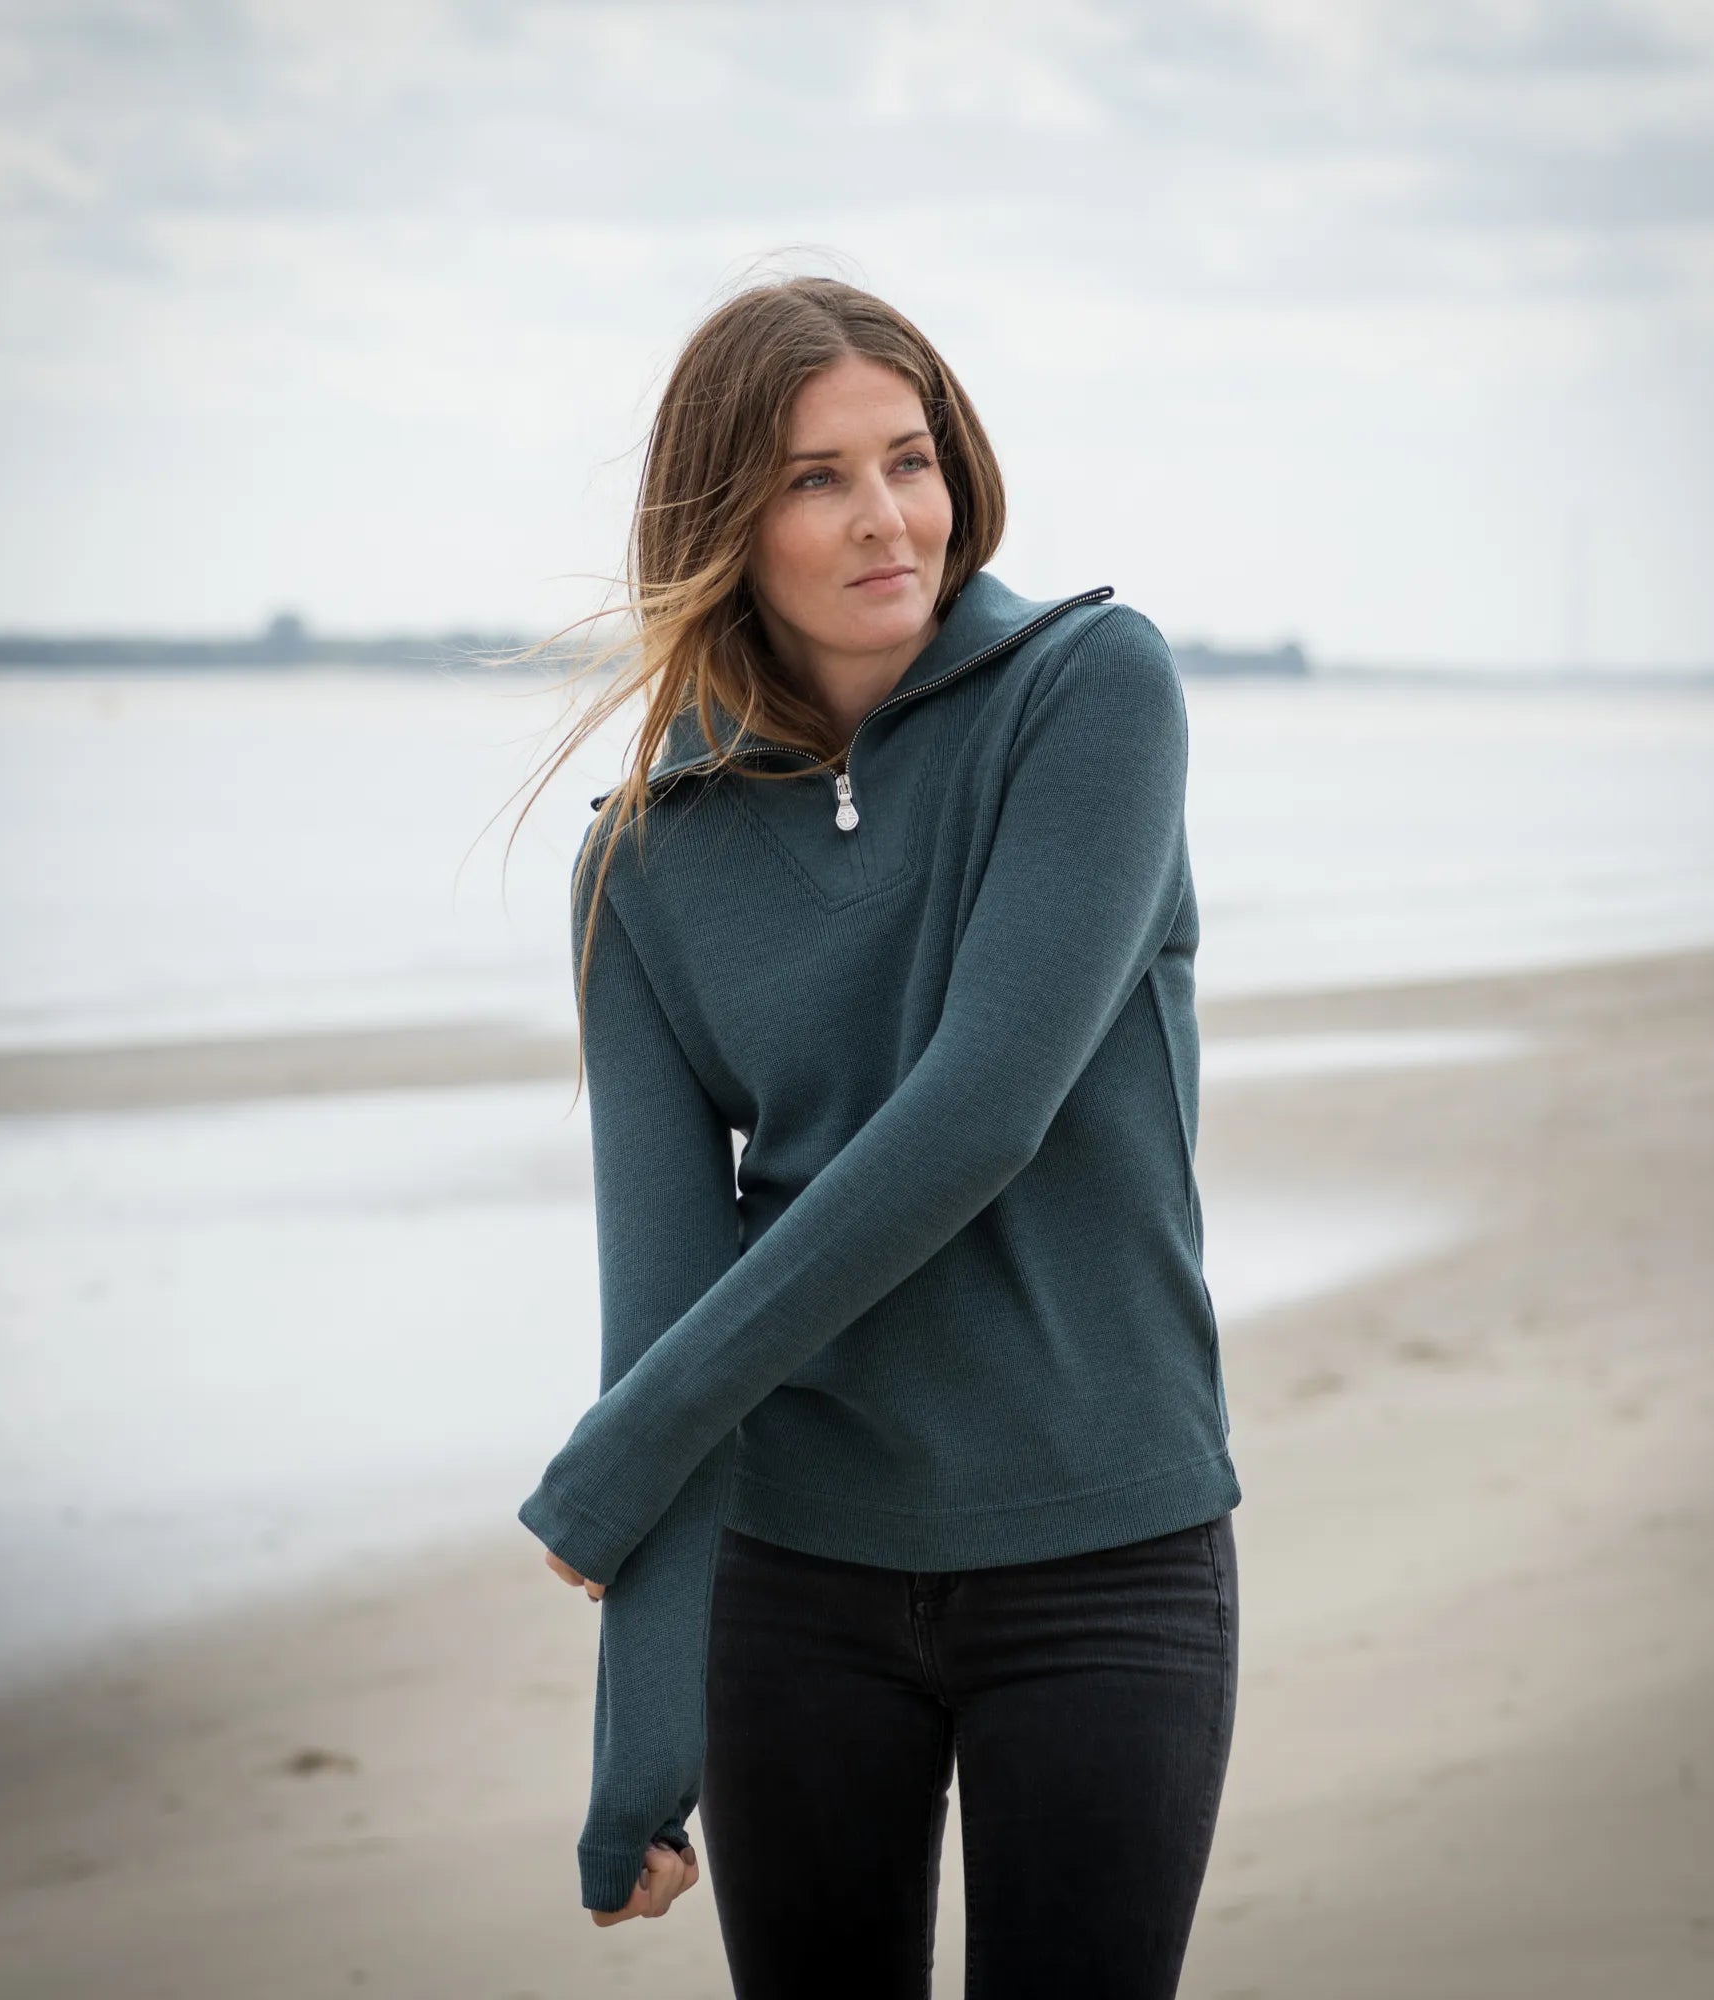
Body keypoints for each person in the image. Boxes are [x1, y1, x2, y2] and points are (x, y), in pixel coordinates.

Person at [515, 272, 1241, 1998]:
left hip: (1102, 1553)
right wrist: (639, 1745)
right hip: (797, 1587)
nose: (884, 517)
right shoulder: (643, 861)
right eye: (814, 479)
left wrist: (624, 1453)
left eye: (907, 459)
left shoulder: (1092, 693)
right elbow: (663, 1298)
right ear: (723, 524)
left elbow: (984, 1110)